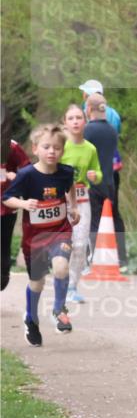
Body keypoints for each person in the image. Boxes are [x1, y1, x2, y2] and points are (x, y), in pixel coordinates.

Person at [2, 124, 80, 345]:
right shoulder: (26, 175)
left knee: (61, 267)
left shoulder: (65, 172)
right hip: (34, 238)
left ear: (62, 151)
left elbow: (70, 186)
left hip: (60, 231)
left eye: (56, 148)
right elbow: (7, 198)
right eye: (46, 147)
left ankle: (59, 309)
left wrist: (73, 207)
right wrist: (24, 203)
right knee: (37, 282)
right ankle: (31, 319)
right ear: (35, 149)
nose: (51, 152)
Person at [60, 105, 102, 303]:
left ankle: (71, 287)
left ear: (85, 121)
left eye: (79, 117)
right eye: (71, 118)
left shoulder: (90, 148)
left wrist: (95, 176)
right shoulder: (60, 146)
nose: (75, 121)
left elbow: (99, 173)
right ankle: (60, 279)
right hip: (60, 201)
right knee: (62, 245)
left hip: (82, 200)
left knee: (80, 244)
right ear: (65, 122)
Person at [82, 93, 125, 269]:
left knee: (92, 221)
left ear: (88, 109)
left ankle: (92, 259)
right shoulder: (112, 131)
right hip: (110, 182)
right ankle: (121, 258)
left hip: (91, 182)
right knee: (114, 217)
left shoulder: (87, 131)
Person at [2, 105, 32, 291]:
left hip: (6, 208)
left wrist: (16, 177)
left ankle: (3, 273)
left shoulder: (11, 147)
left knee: (3, 249)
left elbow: (27, 170)